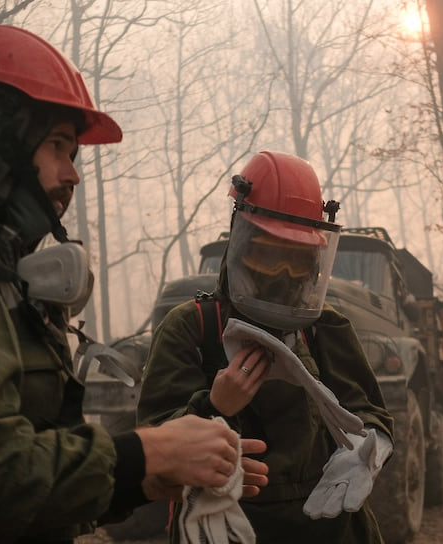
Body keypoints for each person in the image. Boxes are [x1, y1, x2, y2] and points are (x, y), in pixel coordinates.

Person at [0, 25, 268, 543]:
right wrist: (152, 450)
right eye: (57, 147)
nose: (71, 174)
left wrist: (154, 477)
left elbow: (35, 482)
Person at [137, 150, 394, 544]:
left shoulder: (324, 327)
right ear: (242, 243)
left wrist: (366, 452)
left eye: (296, 259)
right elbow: (154, 442)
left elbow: (367, 410)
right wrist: (214, 408)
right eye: (269, 256)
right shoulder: (193, 328)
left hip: (330, 524)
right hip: (227, 522)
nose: (284, 274)